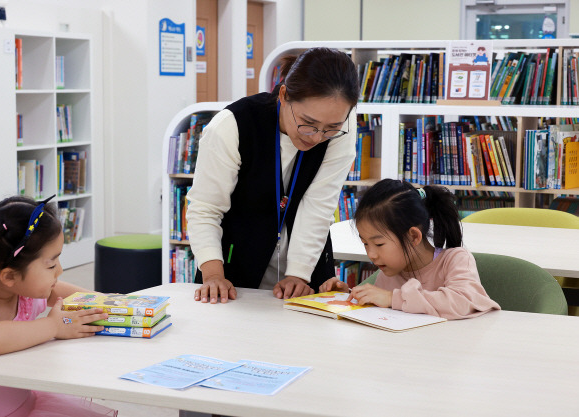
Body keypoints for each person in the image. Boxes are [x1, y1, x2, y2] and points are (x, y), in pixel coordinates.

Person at [187, 47, 360, 303]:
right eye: (307, 122)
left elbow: (319, 205)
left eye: (331, 128)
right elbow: (205, 209)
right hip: (233, 270)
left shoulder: (342, 124)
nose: (316, 137)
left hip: (305, 268)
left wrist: (299, 276)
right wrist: (213, 275)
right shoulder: (232, 126)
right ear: (283, 94)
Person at [0, 195, 118, 417]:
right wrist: (54, 326)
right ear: (9, 276)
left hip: (25, 408)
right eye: (51, 264)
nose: (59, 271)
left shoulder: (22, 291)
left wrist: (106, 301)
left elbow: (58, 289)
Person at [319, 179, 500, 319]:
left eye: (379, 244)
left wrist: (392, 299)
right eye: (365, 243)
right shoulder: (390, 271)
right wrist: (347, 296)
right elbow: (380, 309)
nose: (371, 255)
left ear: (413, 236)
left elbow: (464, 302)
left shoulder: (456, 259)